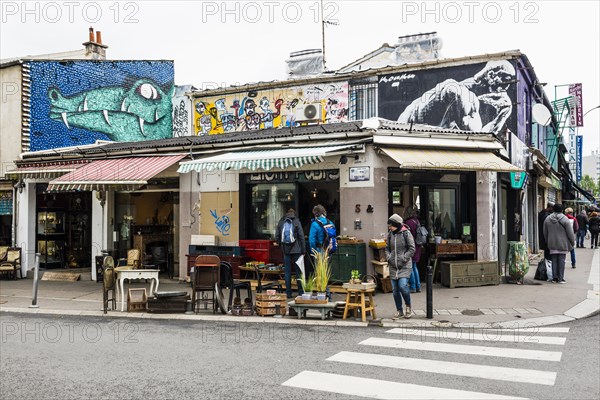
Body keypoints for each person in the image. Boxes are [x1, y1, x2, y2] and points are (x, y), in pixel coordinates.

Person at [386, 213, 415, 319]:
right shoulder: (390, 234)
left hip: (404, 265)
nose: (389, 227)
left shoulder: (406, 233)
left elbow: (412, 248)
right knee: (395, 290)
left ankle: (408, 307)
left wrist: (403, 258)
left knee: (402, 286)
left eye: (391, 225)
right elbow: (387, 248)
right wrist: (389, 257)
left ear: (397, 225)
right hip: (393, 266)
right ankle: (399, 310)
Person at [275, 208, 306, 299]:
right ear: (294, 214)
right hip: (296, 250)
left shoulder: (281, 222)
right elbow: (301, 236)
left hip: (286, 250)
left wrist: (281, 245)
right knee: (298, 272)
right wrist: (303, 250)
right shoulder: (296, 221)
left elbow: (277, 236)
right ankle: (300, 292)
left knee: (287, 272)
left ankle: (288, 293)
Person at [543, 203, 575, 284]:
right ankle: (561, 278)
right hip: (563, 243)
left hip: (552, 243)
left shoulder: (547, 219)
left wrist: (548, 240)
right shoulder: (565, 219)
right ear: (562, 210)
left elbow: (545, 232)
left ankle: (554, 278)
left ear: (553, 209)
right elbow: (570, 233)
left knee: (554, 260)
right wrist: (572, 242)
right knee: (561, 260)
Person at [403, 206, 422, 293]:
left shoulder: (408, 223)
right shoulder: (417, 221)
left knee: (410, 267)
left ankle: (413, 286)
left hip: (411, 247)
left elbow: (406, 236)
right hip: (417, 246)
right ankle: (418, 286)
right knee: (415, 267)